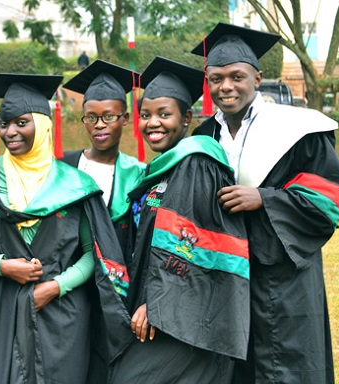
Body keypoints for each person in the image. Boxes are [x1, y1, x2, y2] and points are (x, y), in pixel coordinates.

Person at [0, 74, 133, 383]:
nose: (11, 132)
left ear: (44, 125)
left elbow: (93, 254)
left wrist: (56, 286)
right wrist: (1, 266)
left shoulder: (74, 184)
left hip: (63, 314)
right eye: (5, 124)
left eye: (22, 122)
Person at [191, 22, 339, 383]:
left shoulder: (298, 130)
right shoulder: (204, 135)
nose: (225, 86)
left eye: (236, 76)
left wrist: (264, 198)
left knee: (286, 363)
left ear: (257, 78)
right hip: (227, 274)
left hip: (283, 275)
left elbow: (329, 198)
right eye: (216, 78)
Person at [107, 56, 250, 383]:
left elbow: (197, 243)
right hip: (159, 312)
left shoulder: (198, 163)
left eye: (164, 114)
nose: (153, 123)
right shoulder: (161, 170)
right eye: (145, 115)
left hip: (188, 316)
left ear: (186, 117)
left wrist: (157, 305)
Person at [62, 60, 146, 256]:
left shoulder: (138, 173)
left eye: (108, 116)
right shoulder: (63, 166)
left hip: (117, 274)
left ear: (125, 119)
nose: (99, 125)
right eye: (91, 117)